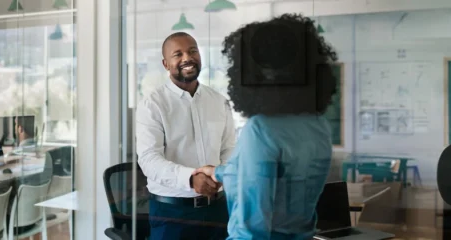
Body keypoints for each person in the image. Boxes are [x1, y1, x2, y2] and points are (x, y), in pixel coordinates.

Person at [194, 14, 338, 239]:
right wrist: (218, 172)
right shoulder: (318, 126)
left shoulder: (261, 130)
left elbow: (253, 228)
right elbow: (279, 179)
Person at [136, 32, 236, 240]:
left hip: (217, 210)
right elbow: (148, 160)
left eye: (192, 51)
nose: (187, 58)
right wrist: (190, 179)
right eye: (177, 54)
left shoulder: (219, 101)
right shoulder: (153, 105)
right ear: (166, 64)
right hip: (172, 214)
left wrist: (221, 175)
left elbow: (229, 149)